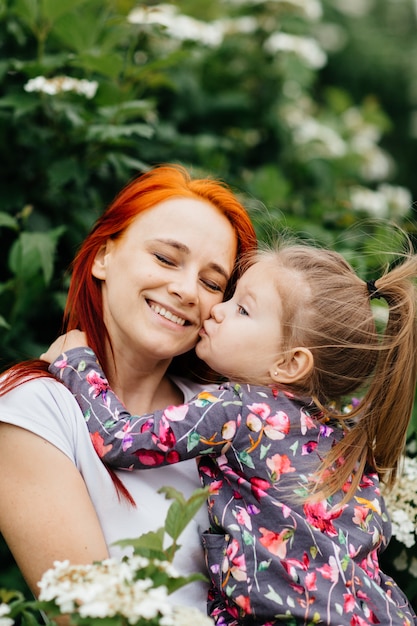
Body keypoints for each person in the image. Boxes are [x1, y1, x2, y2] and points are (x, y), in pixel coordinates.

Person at [42, 241, 417, 626]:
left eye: (242, 309)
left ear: (289, 363)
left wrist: (76, 361)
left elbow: (119, 439)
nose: (216, 310)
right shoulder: (348, 440)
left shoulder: (236, 408)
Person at [0, 164, 257, 612]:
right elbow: (88, 615)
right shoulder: (32, 406)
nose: (186, 290)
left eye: (212, 283)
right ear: (103, 256)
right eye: (165, 258)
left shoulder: (221, 413)